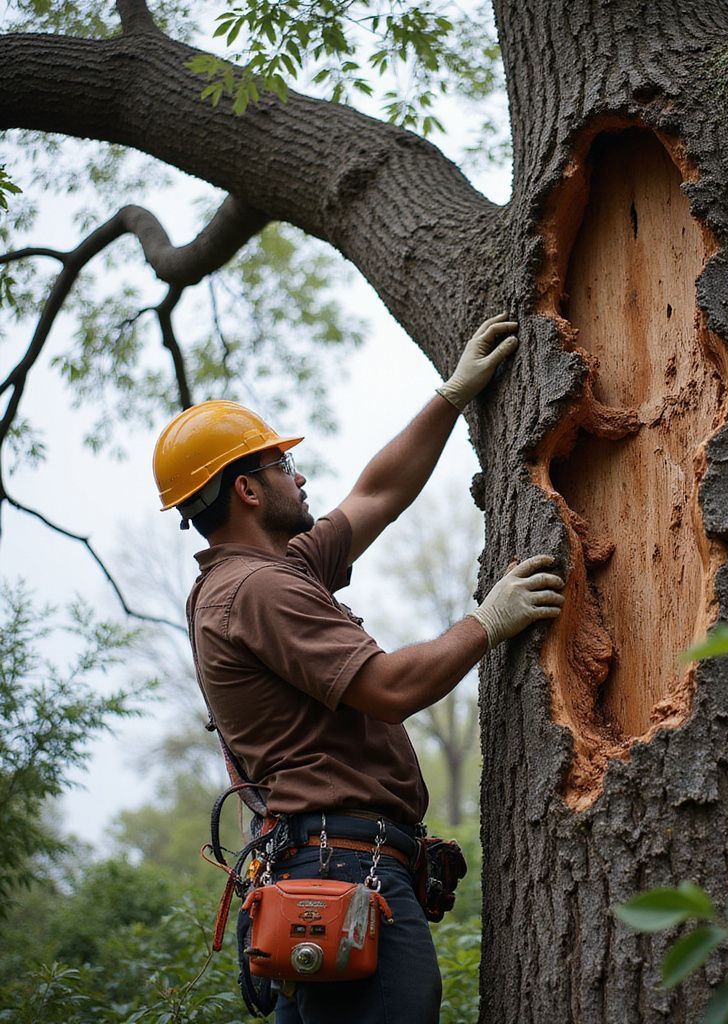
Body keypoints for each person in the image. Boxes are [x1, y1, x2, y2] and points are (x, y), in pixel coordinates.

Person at [151, 314, 565, 1023]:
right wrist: (487, 623)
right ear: (247, 490)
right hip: (338, 869)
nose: (299, 473)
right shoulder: (259, 590)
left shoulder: (271, 570)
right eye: (282, 465)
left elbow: (377, 494)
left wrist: (451, 395)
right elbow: (389, 689)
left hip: (326, 869)